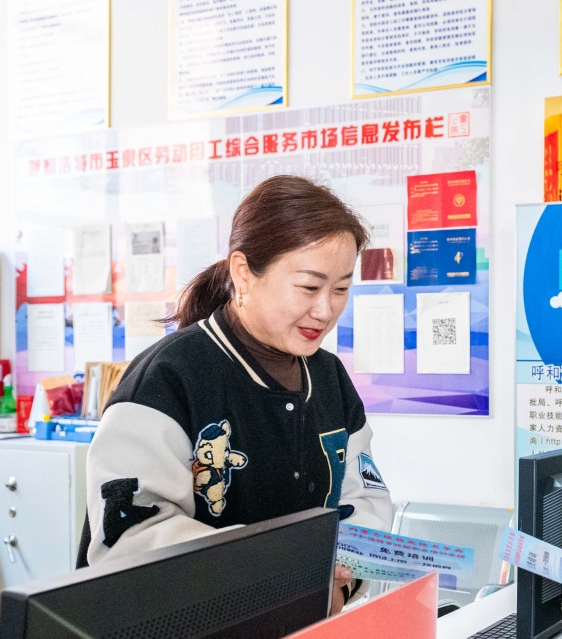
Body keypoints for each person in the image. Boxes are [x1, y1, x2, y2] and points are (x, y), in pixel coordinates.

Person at [80, 176, 392, 614]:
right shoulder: (169, 377)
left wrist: (344, 573)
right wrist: (282, 573)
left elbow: (365, 499)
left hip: (299, 633)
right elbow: (132, 538)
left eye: (340, 289)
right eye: (309, 286)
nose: (325, 310)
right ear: (244, 272)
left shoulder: (329, 377)